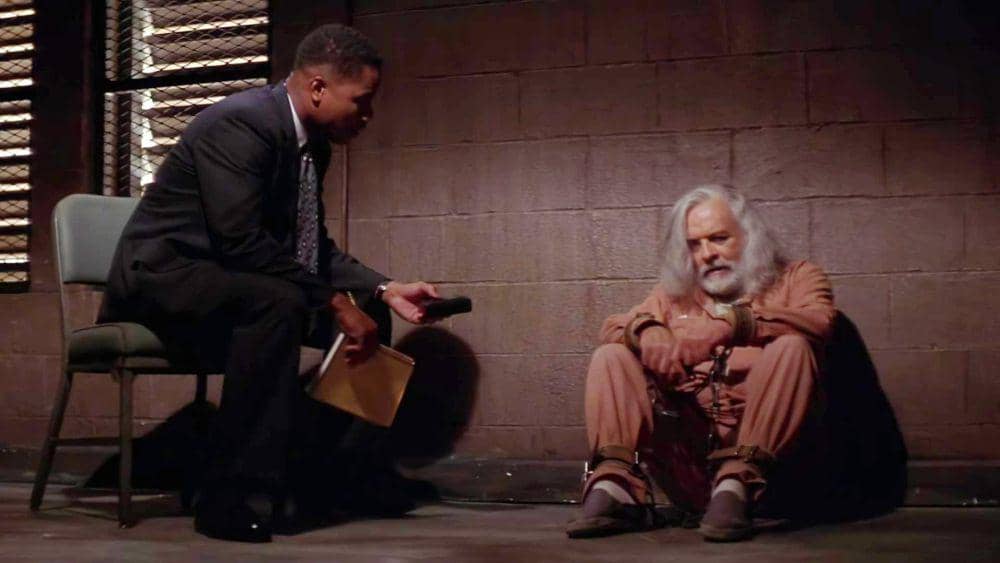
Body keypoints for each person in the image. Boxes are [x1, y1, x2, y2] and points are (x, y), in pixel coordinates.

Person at [99, 24, 438, 543]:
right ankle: (229, 495)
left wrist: (384, 288)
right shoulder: (241, 124)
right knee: (276, 301)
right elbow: (239, 239)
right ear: (318, 87)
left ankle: (324, 472)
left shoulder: (312, 145)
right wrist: (332, 301)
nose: (368, 115)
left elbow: (309, 247)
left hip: (229, 278)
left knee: (368, 315)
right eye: (362, 101)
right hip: (165, 276)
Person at [566, 185, 836, 542]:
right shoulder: (676, 297)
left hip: (771, 478)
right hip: (690, 470)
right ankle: (616, 488)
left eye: (719, 238)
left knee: (793, 346)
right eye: (694, 244)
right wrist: (647, 330)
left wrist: (731, 325)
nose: (707, 254)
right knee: (612, 355)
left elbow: (820, 321)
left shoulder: (797, 277)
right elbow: (612, 327)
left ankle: (738, 480)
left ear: (749, 236)